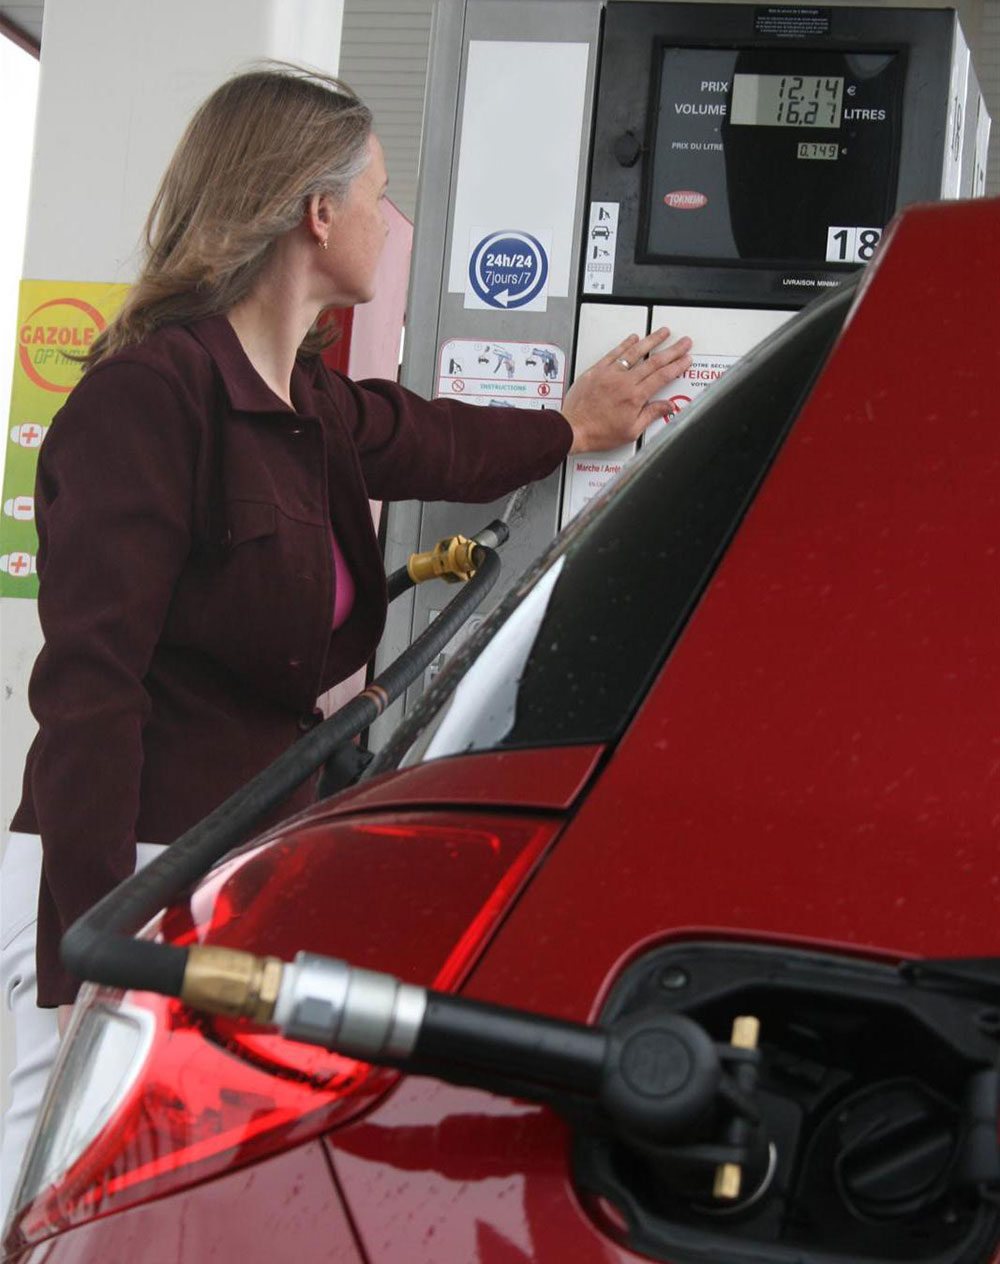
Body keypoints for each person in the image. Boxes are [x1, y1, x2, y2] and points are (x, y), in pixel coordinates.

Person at [0, 64, 691, 1216]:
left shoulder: (304, 404)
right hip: (122, 863)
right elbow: (89, 688)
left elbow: (432, 441)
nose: (385, 215)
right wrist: (90, 940)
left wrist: (575, 423)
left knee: (165, 1188)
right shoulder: (150, 398)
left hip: (235, 862)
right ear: (318, 216)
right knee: (49, 1186)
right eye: (374, 191)